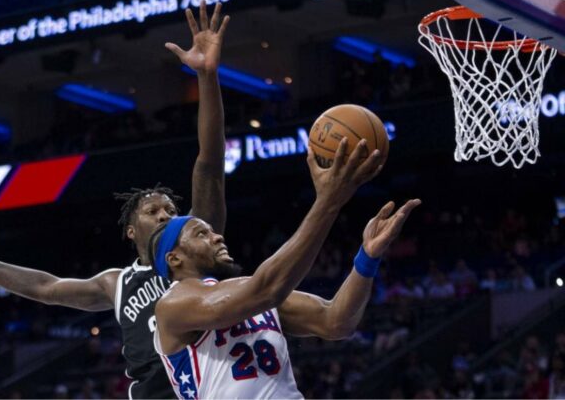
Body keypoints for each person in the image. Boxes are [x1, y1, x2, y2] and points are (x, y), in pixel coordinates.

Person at [0, 1, 230, 399]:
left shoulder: (194, 251)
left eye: (171, 211)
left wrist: (206, 77)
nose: (166, 215)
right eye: (153, 210)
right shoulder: (118, 283)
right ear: (132, 231)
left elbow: (210, 163)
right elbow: (44, 287)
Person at [150, 139, 420, 399]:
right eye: (201, 234)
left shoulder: (248, 291)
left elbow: (336, 321)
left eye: (213, 232)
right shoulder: (172, 305)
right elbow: (267, 289)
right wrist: (328, 202)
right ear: (174, 259)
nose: (217, 237)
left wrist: (367, 258)